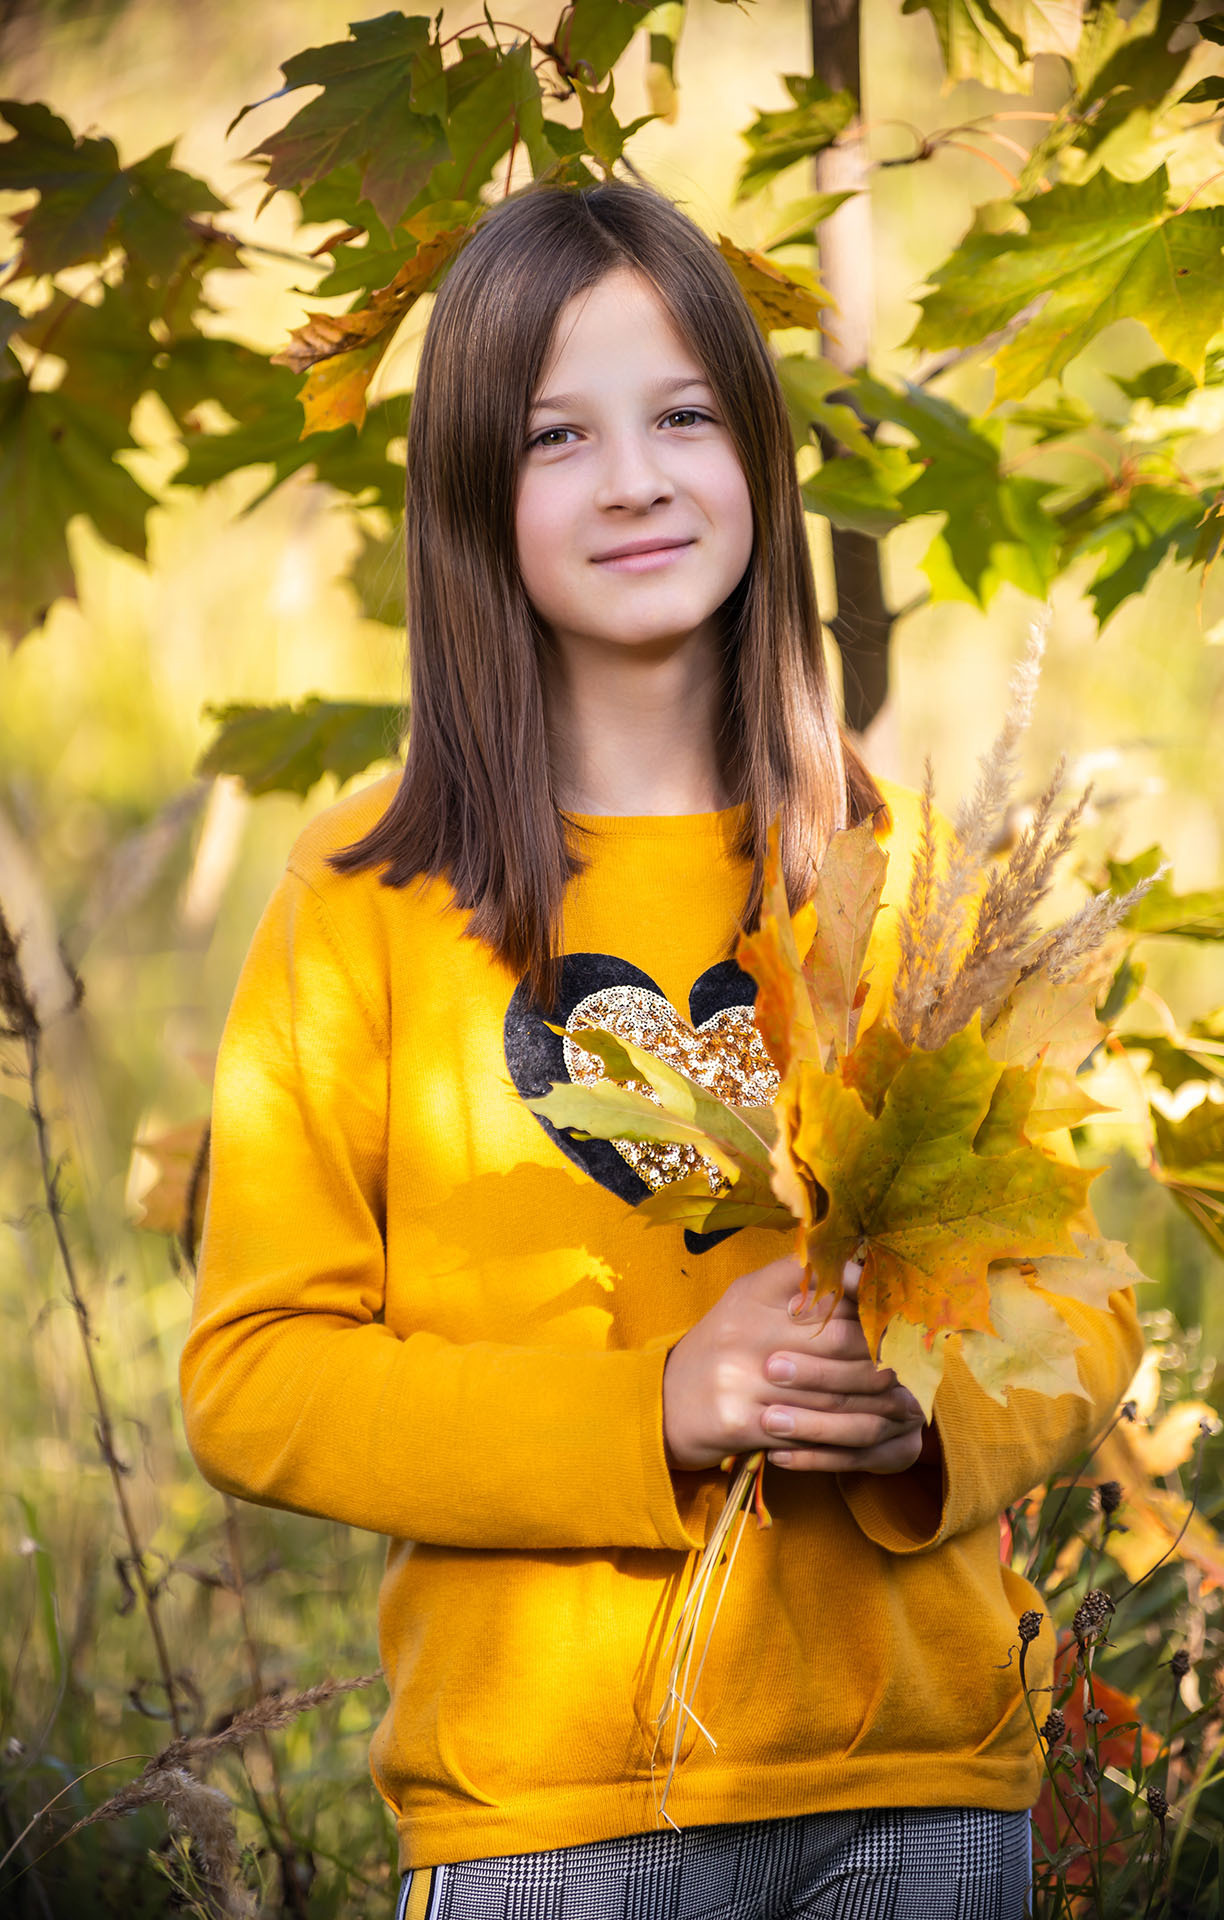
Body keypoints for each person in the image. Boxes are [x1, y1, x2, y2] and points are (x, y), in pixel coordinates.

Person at [180, 179, 1142, 1920]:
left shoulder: (903, 877)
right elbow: (256, 1378)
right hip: (548, 1811)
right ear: (472, 498)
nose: (634, 478)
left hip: (922, 1788)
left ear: (760, 457)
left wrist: (923, 1419)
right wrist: (659, 1411)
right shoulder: (367, 903)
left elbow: (1080, 1305)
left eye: (685, 415)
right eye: (558, 435)